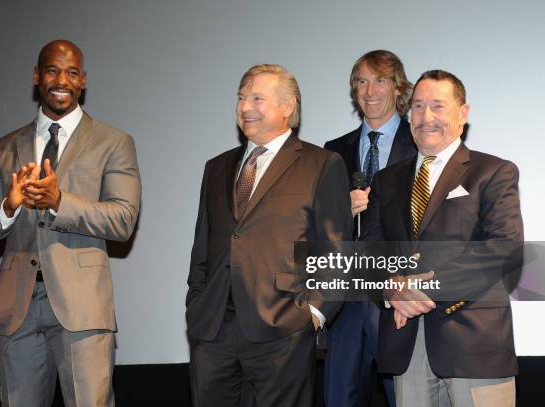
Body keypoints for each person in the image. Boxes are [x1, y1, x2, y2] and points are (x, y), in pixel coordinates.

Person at [0, 39, 141, 407]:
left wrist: (59, 201)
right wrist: (8, 206)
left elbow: (124, 219)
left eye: (72, 72)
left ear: (83, 82)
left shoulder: (113, 142)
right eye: (52, 70)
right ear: (36, 77)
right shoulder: (3, 148)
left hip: (82, 309)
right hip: (17, 312)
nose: (61, 79)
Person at [186, 64, 353, 407]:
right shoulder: (215, 167)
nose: (245, 107)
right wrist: (196, 302)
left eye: (257, 98)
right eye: (241, 97)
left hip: (283, 328)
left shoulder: (321, 164)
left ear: (287, 106)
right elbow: (203, 246)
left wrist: (313, 315)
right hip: (213, 328)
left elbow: (336, 251)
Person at [362, 70, 522, 406]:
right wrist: (392, 288)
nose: (426, 117)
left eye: (438, 106)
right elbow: (371, 253)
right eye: (418, 107)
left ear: (463, 113)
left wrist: (423, 287)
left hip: (475, 343)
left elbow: (503, 249)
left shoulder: (493, 172)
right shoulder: (386, 181)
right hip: (406, 342)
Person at [323, 50, 416, 407]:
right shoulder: (333, 152)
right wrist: (340, 211)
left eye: (380, 80)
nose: (370, 90)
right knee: (338, 398)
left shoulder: (420, 145)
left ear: (398, 89)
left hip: (399, 296)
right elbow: (317, 224)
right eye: (362, 81)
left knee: (407, 398)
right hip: (345, 298)